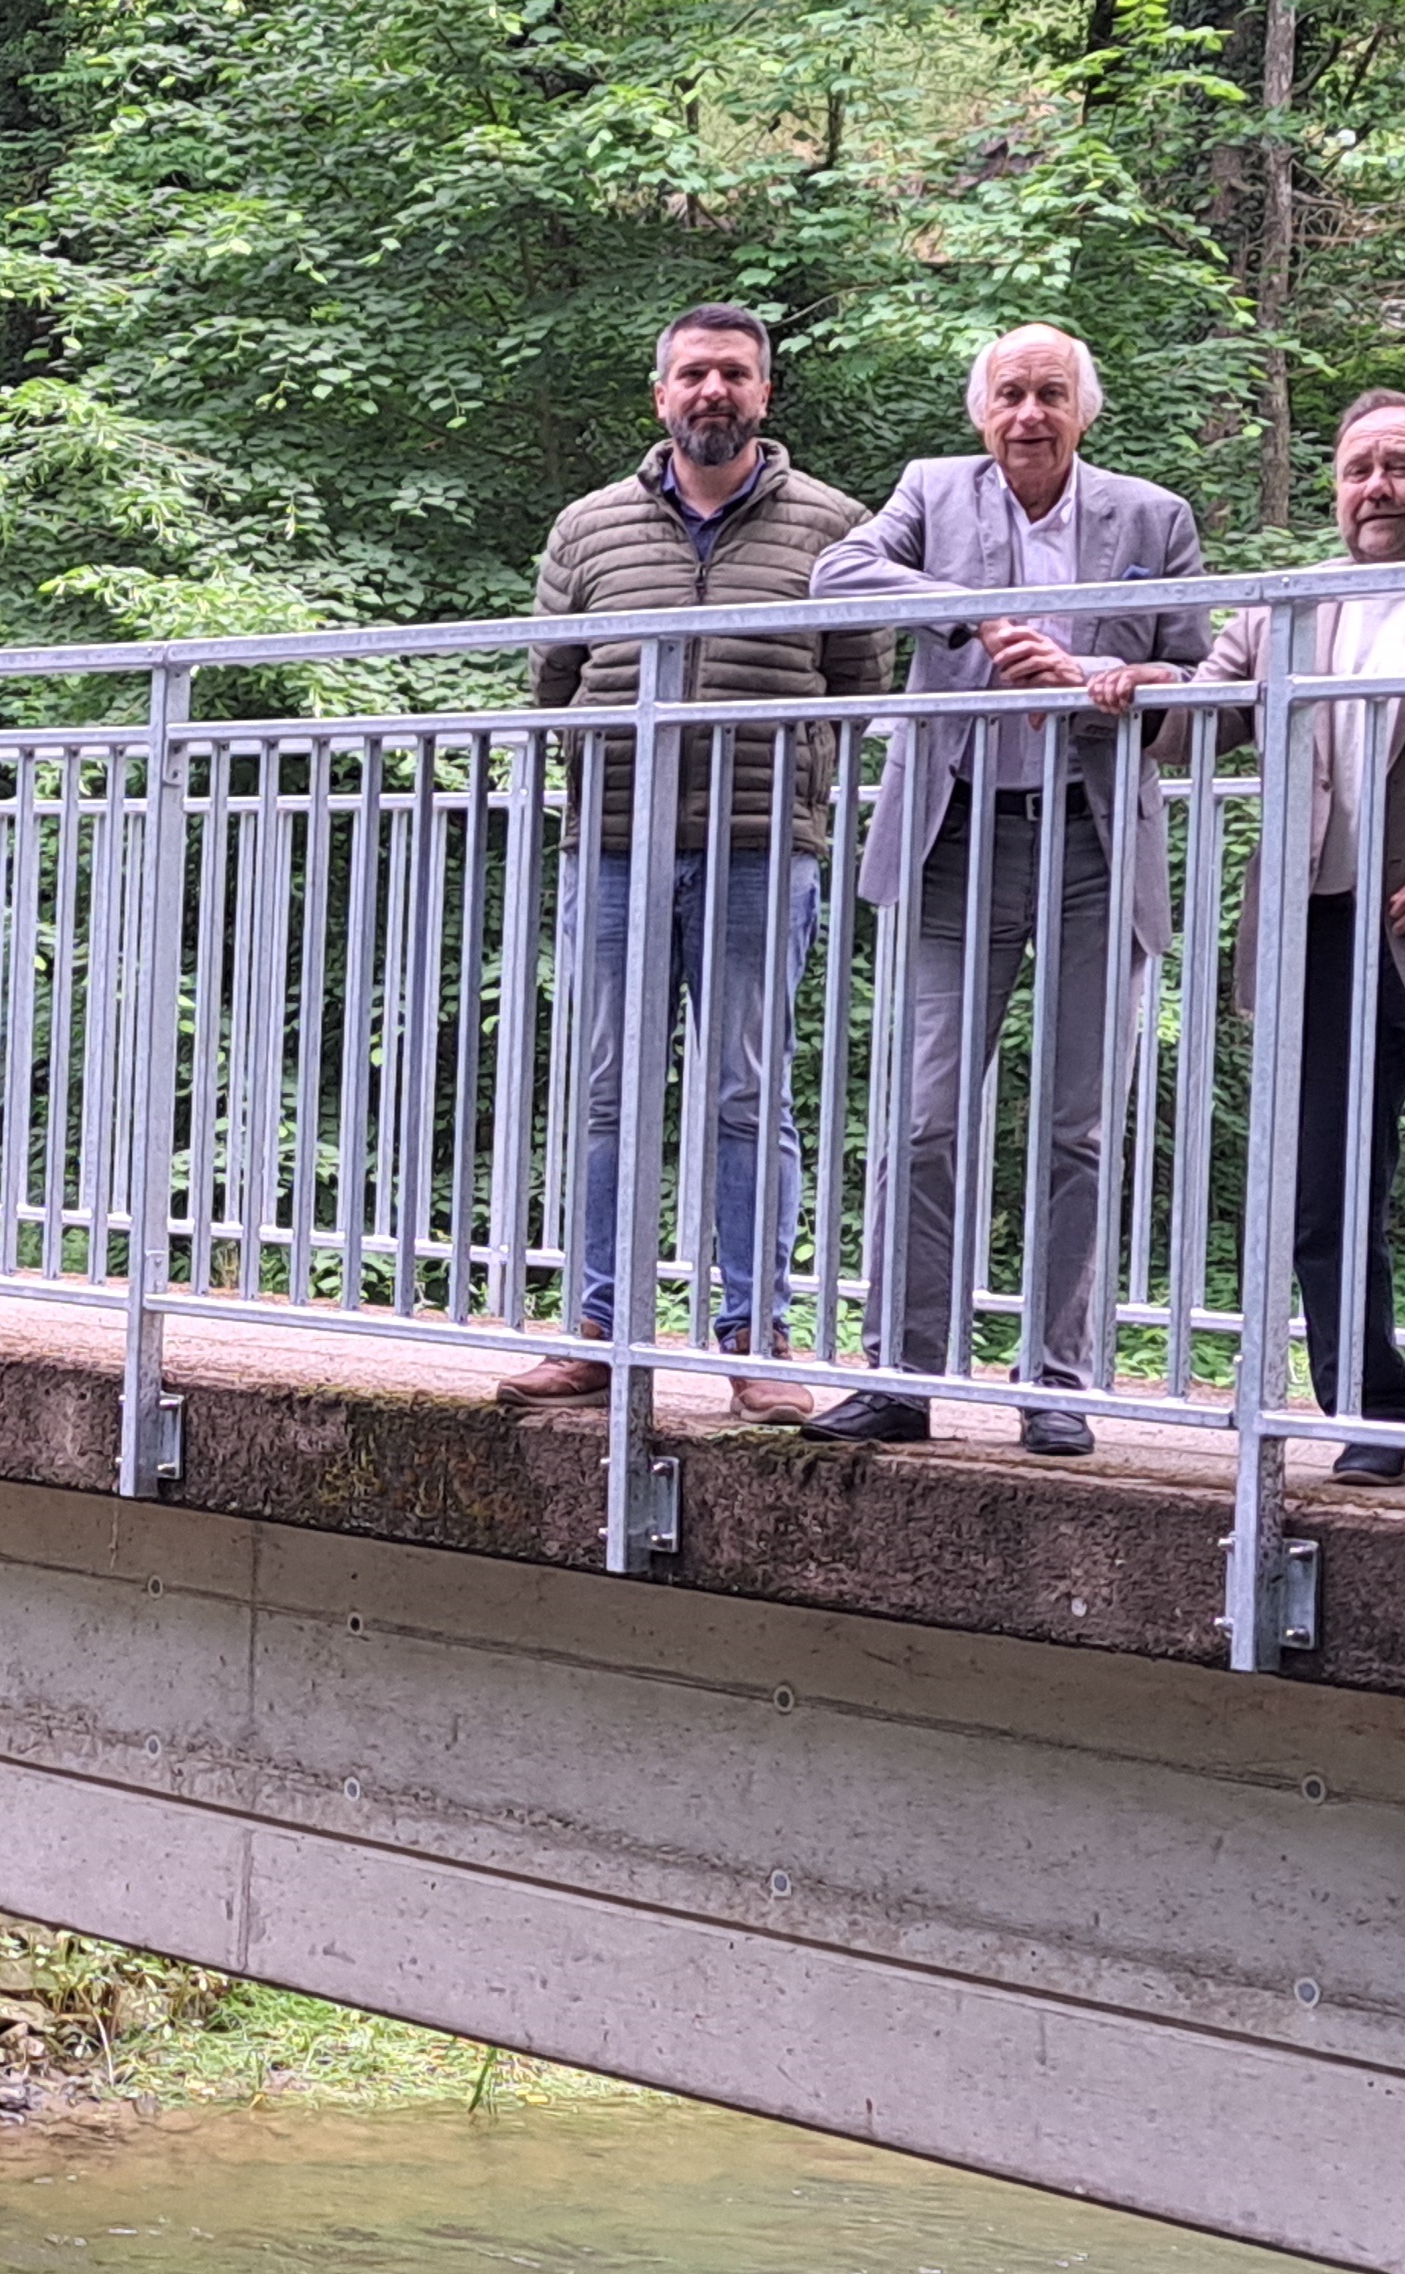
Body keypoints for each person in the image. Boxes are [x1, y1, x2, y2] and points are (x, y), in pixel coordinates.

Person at [1087, 388, 1405, 1490]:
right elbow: (1203, 707)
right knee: (1322, 1189)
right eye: (1358, 467)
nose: (1376, 486)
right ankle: (1367, 1409)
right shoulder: (1287, 606)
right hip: (1317, 928)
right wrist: (1126, 686)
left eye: (1402, 465)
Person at [800, 326, 1209, 1457]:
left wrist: (1109, 679)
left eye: (1051, 395)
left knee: (1076, 1127)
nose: (1030, 414)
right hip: (954, 840)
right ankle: (898, 1374)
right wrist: (974, 614)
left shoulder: (1151, 517)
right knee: (923, 1119)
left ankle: (1057, 1381)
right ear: (983, 412)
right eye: (1011, 395)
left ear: (1086, 411)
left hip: (1088, 843)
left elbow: (1202, 670)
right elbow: (837, 573)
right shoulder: (933, 493)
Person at [499, 307, 884, 1421]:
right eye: (692, 373)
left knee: (745, 1093)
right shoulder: (586, 528)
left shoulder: (834, 527)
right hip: (619, 845)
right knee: (610, 1089)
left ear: (764, 393)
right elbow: (550, 691)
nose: (711, 390)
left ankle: (754, 1337)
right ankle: (599, 1332)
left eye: (733, 373)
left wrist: (807, 796)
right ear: (659, 392)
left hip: (765, 848)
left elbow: (864, 691)